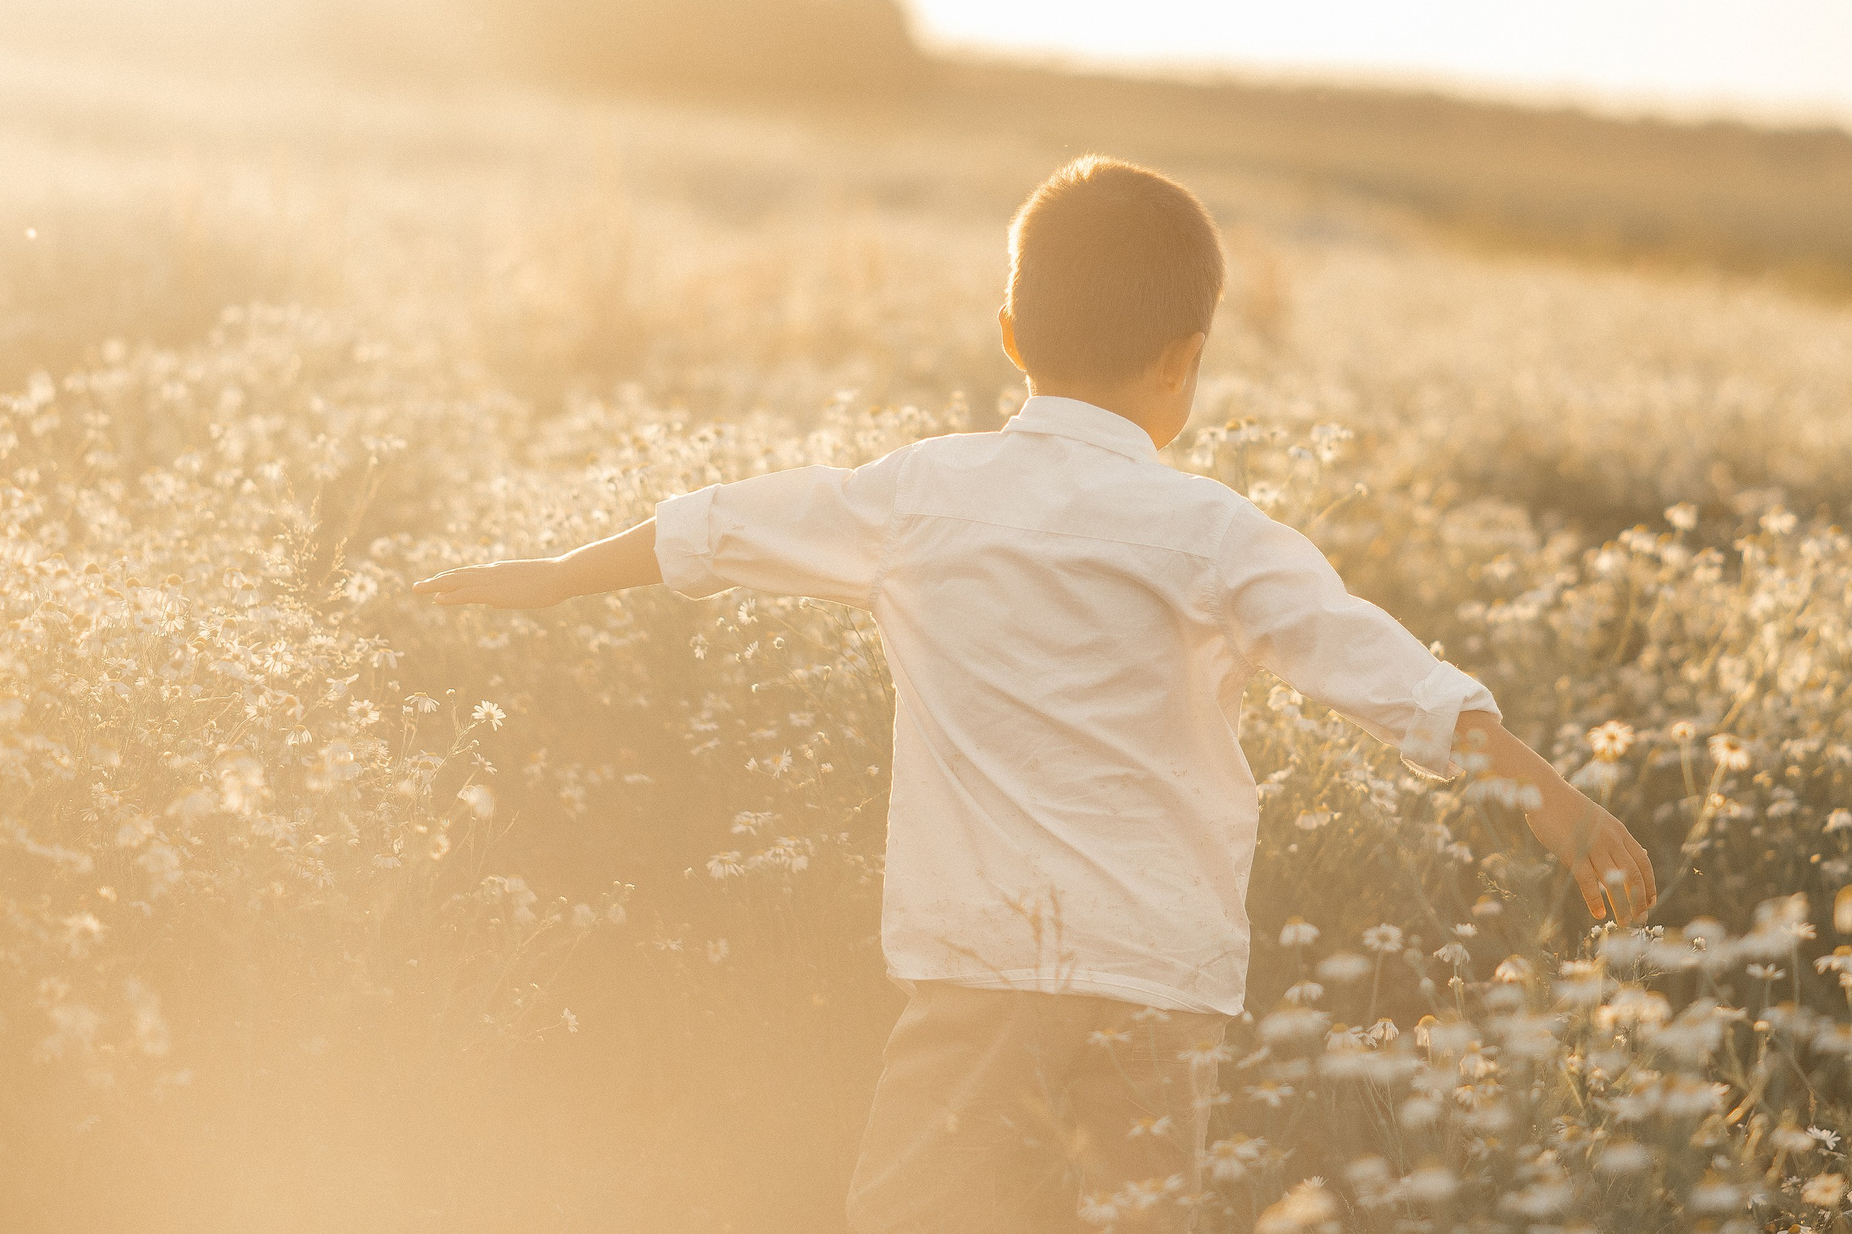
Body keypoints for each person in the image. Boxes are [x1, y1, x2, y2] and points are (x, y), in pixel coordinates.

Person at [413, 156, 1656, 1232]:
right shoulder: (1214, 531)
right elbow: (1372, 665)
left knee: (911, 1212)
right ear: (1189, 361)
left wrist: (556, 580)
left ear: (1009, 333)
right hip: (1159, 968)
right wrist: (1549, 799)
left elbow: (723, 527)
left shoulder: (918, 497)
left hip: (979, 956)